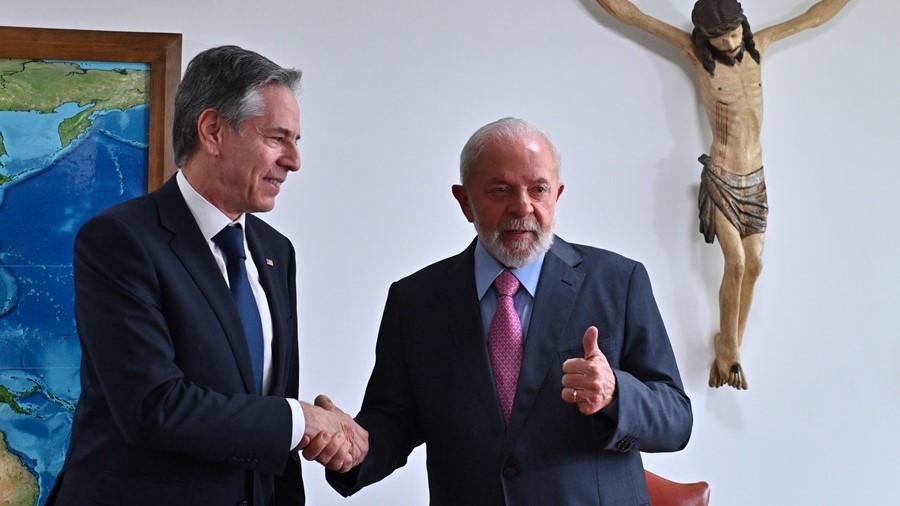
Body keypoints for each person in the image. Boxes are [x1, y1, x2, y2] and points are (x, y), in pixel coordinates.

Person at [47, 45, 367, 505]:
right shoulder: (120, 242)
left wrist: (322, 432)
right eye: (278, 138)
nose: (294, 161)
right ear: (214, 130)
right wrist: (300, 421)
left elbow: (259, 407)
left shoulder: (278, 252)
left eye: (297, 141)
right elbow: (154, 406)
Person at [322, 117, 692, 504]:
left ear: (557, 195)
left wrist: (616, 394)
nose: (522, 207)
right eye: (501, 190)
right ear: (464, 201)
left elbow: (677, 420)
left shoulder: (619, 281)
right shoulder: (415, 301)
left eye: (538, 190)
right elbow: (393, 422)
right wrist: (353, 448)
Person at [593, 0, 850, 389]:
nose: (729, 44)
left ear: (742, 27)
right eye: (719, 39)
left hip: (756, 179)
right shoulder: (695, 56)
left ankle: (728, 346)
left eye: (733, 34)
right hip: (722, 175)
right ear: (704, 40)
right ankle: (730, 353)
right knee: (737, 262)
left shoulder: (759, 45)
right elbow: (635, 16)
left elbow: (812, 17)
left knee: (757, 264)